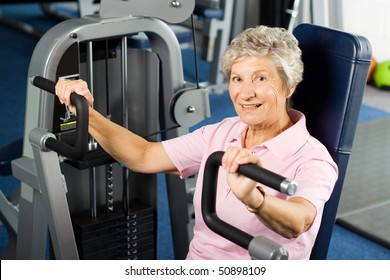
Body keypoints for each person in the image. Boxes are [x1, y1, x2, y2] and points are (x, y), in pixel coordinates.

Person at [55, 25, 338, 260]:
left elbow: (299, 221)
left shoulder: (312, 158)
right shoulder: (223, 133)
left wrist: (255, 198)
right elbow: (143, 155)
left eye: (261, 78)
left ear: (290, 86)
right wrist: (87, 114)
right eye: (237, 79)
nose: (246, 92)